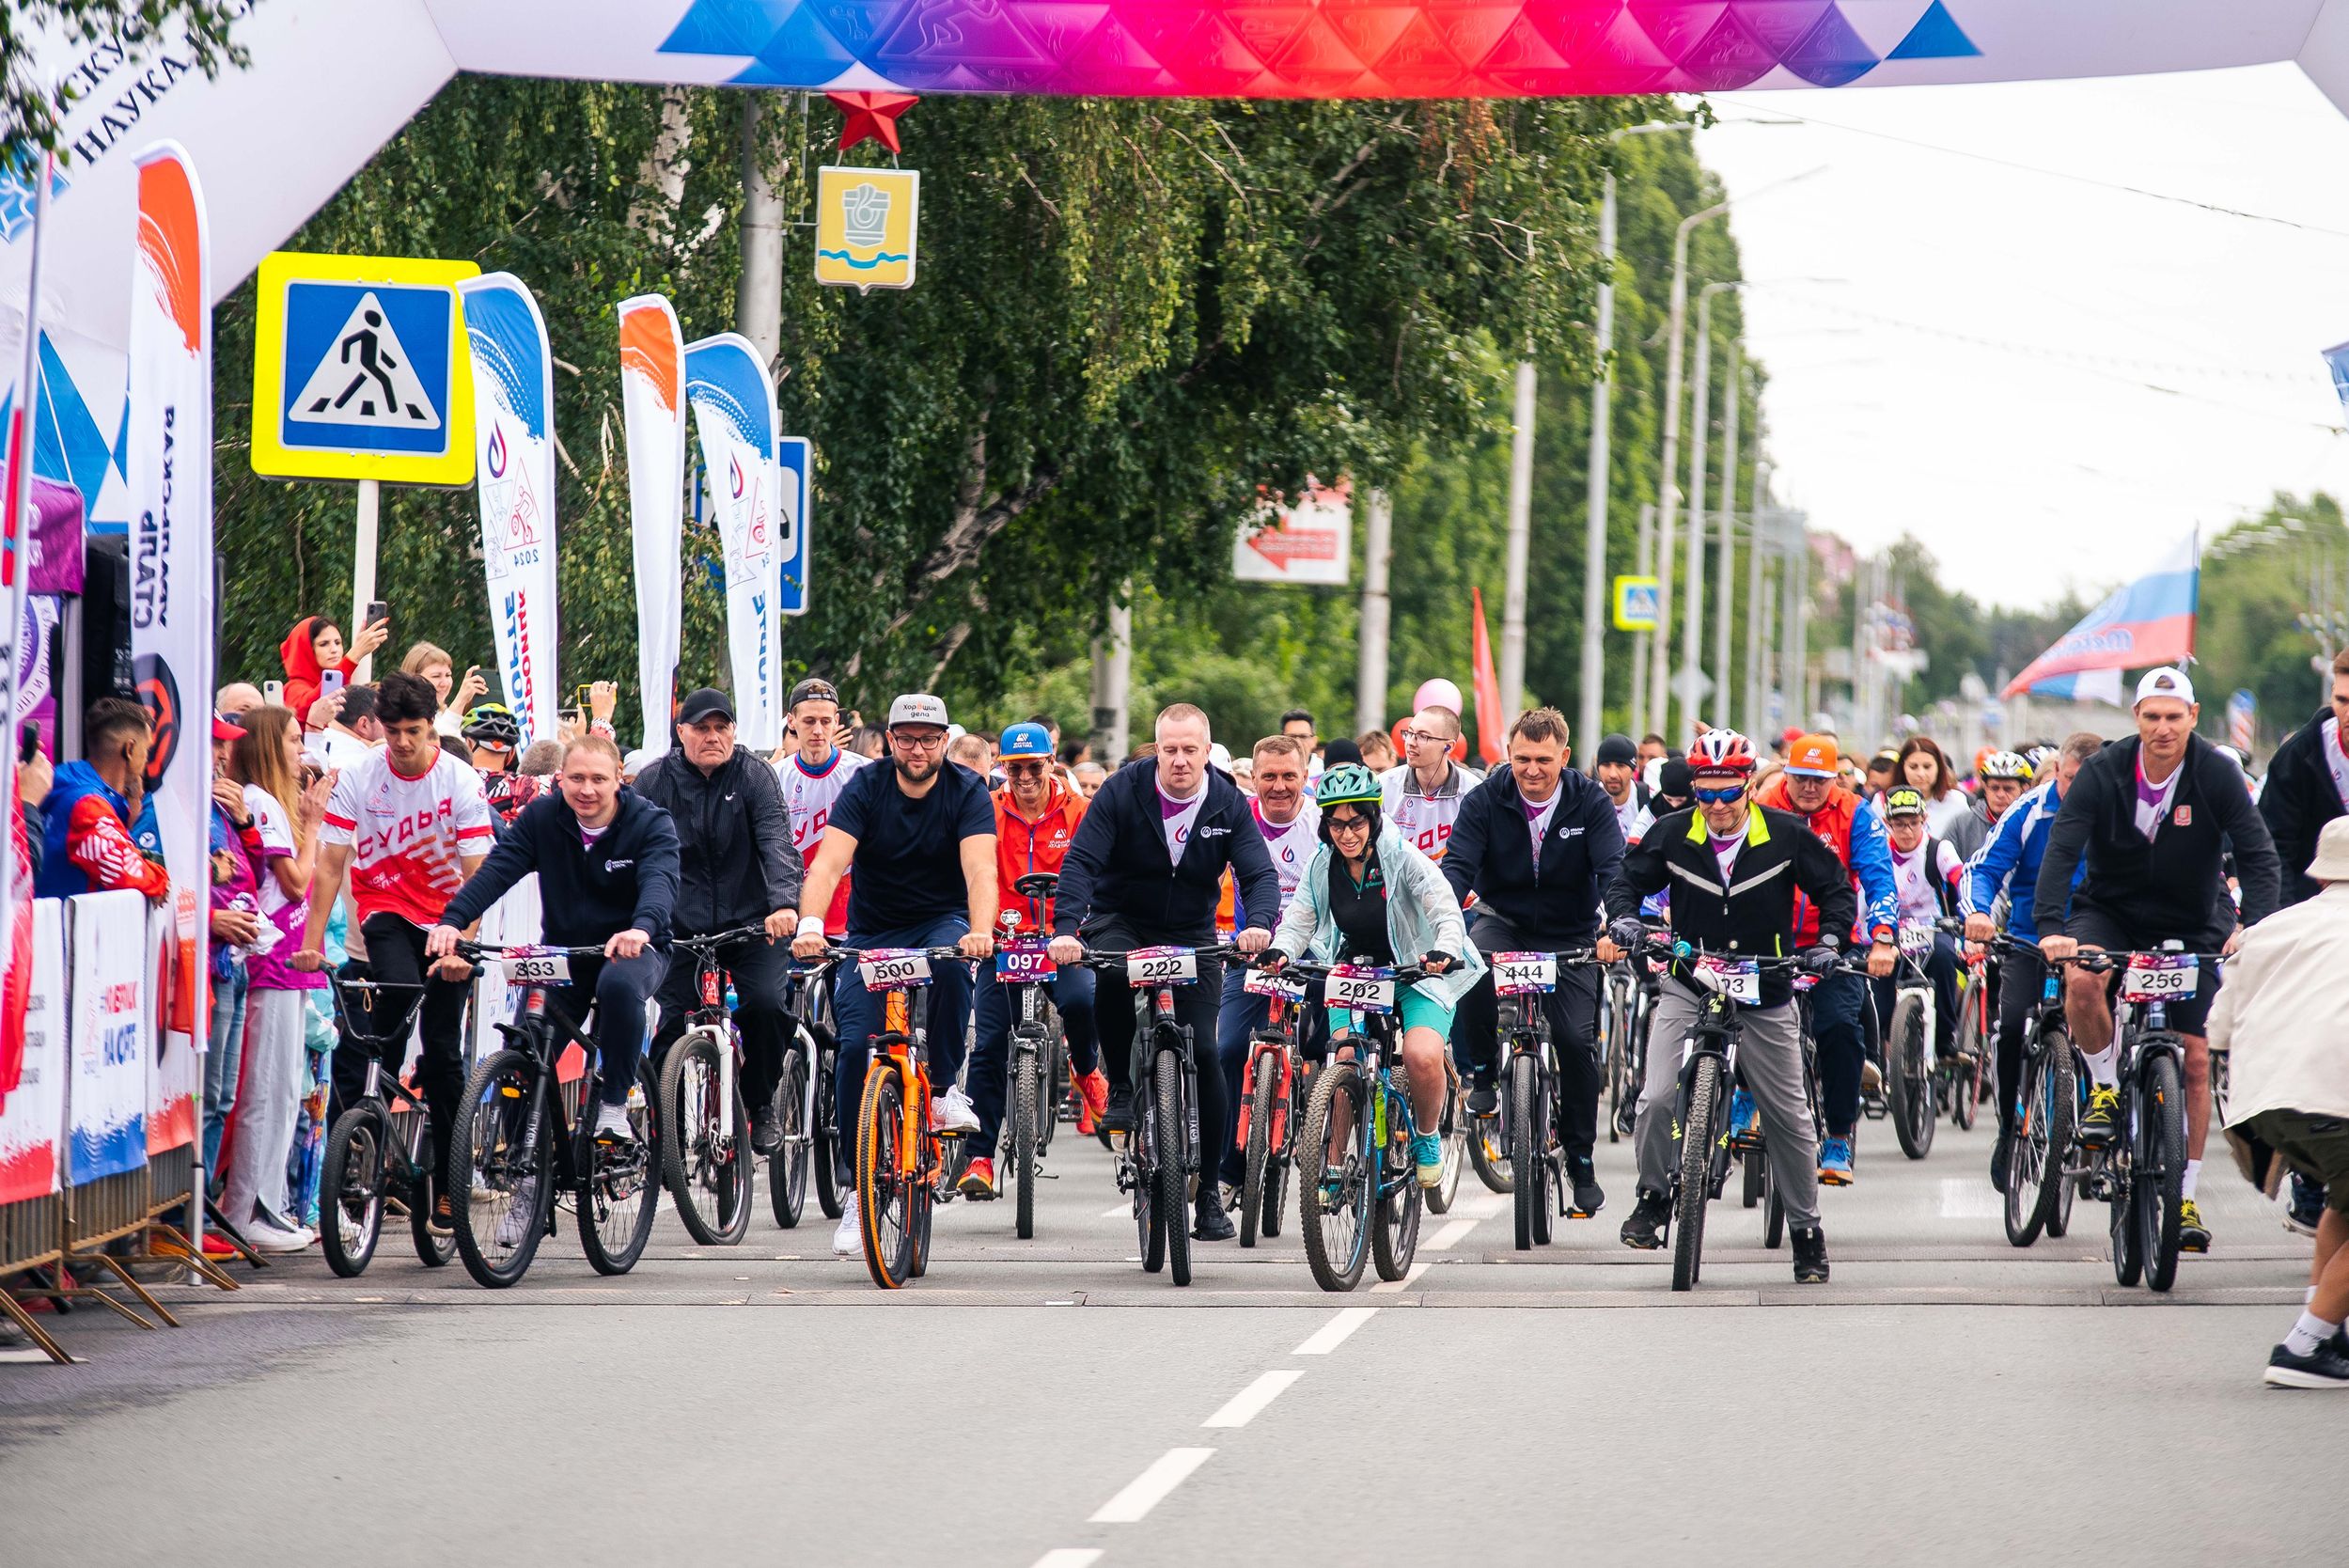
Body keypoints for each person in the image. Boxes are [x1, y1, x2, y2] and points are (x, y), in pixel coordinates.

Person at [2036, 666, 2282, 1254]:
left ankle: (2186, 1193)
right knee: (2083, 982)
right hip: (2111, 910)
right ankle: (2102, 1086)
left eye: (2175, 717)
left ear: (2193, 719)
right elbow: (2064, 845)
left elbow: (2257, 852)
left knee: (2196, 1058)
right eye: (2152, 716)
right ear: (2137, 719)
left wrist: (2256, 925)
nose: (2163, 728)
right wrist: (2051, 928)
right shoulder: (2103, 771)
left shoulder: (2215, 773)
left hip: (2193, 918)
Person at [1606, 729, 1858, 1284]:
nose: (1717, 806)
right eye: (1706, 793)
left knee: (1789, 1115)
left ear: (1748, 786)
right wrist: (1625, 919)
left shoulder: (1787, 834)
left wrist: (1830, 943)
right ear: (1693, 789)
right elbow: (1625, 880)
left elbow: (1837, 891)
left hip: (1765, 984)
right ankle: (1652, 1196)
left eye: (1728, 793)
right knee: (1653, 1098)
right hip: (1690, 978)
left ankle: (1807, 1231)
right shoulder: (1673, 834)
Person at [1048, 703, 1278, 1242]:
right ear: (1157, 749)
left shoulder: (1227, 800)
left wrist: (1260, 925)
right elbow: (1080, 862)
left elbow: (1259, 872)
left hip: (1192, 932)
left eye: (1189, 750)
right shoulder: (1122, 792)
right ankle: (1124, 1087)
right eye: (1169, 750)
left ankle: (1211, 1203)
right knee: (1106, 976)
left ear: (1206, 749)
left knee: (1208, 1053)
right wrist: (1065, 929)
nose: (1179, 760)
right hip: (1120, 920)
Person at [791, 694, 998, 1259]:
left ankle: (944, 1088)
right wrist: (811, 922)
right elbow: (829, 862)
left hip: (942, 922)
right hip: (873, 932)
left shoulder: (966, 790)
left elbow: (981, 869)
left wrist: (980, 930)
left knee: (957, 969)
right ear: (889, 741)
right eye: (906, 738)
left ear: (943, 742)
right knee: (855, 1046)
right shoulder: (866, 787)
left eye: (929, 739)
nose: (917, 749)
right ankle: (858, 1196)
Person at [295, 671, 495, 1234]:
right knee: (392, 1013)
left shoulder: (460, 780)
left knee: (442, 1050)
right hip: (385, 911)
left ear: (432, 727)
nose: (402, 743)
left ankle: (449, 1177)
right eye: (393, 731)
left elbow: (478, 874)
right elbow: (331, 865)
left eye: (413, 731)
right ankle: (366, 1145)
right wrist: (310, 946)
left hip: (451, 920)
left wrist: (463, 942)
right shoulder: (361, 775)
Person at [433, 735, 681, 1147]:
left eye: (599, 779)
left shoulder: (650, 822)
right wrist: (453, 922)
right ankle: (525, 1169)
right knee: (524, 1051)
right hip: (565, 953)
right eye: (577, 778)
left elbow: (659, 882)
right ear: (560, 779)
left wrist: (641, 927)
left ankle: (614, 1105)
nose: (587, 789)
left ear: (619, 779)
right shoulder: (542, 819)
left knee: (617, 986)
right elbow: (496, 871)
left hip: (636, 946)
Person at [1442, 707, 1626, 1217]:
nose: (1532, 770)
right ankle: (1481, 1074)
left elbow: (1613, 869)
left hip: (1573, 932)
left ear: (1565, 758)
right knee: (1471, 964)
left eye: (1544, 760)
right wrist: (1442, 924)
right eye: (1522, 758)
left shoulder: (1589, 800)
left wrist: (1616, 926)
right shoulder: (1485, 799)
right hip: (1505, 917)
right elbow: (1457, 866)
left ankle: (1582, 1159)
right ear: (1508, 754)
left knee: (1574, 1040)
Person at [1263, 764, 1483, 1185]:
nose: (1346, 834)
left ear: (1374, 817)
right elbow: (1299, 920)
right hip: (1357, 970)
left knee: (1420, 1055)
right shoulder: (1321, 863)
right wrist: (1281, 949)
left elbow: (1445, 910)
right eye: (1335, 823)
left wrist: (1444, 950)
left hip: (1416, 970)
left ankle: (1425, 1134)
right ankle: (1330, 1164)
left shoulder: (1402, 856)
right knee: (1344, 1056)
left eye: (1356, 822)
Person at [631, 688, 804, 1155]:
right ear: (681, 732)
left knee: (767, 1005)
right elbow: (628, 851)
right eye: (701, 728)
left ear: (733, 731)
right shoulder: (653, 781)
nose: (712, 736)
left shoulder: (754, 775)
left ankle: (761, 1102)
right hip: (680, 928)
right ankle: (661, 1126)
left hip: (752, 923)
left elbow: (777, 843)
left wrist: (785, 904)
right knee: (671, 1026)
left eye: (721, 727)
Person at [2209, 817, 2349, 1387]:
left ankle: (2330, 1326)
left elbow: (2218, 1024)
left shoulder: (2271, 927)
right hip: (2333, 1095)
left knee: (2344, 1202)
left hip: (2262, 1101)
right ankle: (2305, 1346)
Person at [1754, 734, 1898, 1184]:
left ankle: (1838, 1134)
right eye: (1801, 778)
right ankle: (1743, 1094)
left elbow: (1878, 878)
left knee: (1838, 1027)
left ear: (1835, 779)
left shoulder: (1857, 813)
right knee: (1736, 1011)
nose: (1809, 789)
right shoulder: (1762, 804)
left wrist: (1883, 938)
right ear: (1786, 773)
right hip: (1769, 938)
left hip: (1835, 941)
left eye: (1819, 780)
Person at [1962, 731, 2101, 1191]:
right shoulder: (2030, 809)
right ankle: (2009, 1126)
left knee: (2111, 1021)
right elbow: (1983, 869)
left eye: (2083, 781)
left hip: (2092, 934)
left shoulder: (2117, 810)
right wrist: (1980, 913)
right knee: (2013, 1025)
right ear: (2056, 770)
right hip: (2028, 935)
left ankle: (2113, 1115)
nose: (2071, 789)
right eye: (2066, 778)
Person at [965, 721, 1101, 1192]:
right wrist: (978, 930)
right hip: (1002, 941)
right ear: (1003, 768)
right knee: (986, 1044)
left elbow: (1096, 873)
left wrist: (1080, 929)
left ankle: (1085, 1071)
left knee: (1083, 1001)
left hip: (1062, 939)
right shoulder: (986, 810)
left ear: (1051, 762)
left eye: (1033, 767)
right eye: (1014, 768)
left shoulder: (1078, 810)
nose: (1024, 777)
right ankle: (979, 1157)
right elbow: (973, 869)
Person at [220, 706, 332, 1252]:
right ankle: (246, 1210)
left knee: (287, 1090)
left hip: (288, 962)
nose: (299, 748)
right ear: (269, 746)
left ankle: (267, 1206)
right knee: (265, 1092)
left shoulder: (270, 802)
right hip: (268, 964)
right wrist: (311, 825)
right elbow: (293, 882)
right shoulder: (262, 801)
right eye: (291, 739)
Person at [1209, 734, 1322, 1190]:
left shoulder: (1323, 821)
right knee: (1229, 1050)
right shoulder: (1236, 819)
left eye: (1289, 776)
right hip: (1250, 953)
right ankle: (1230, 1165)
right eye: (1268, 777)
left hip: (1314, 956)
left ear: (1304, 778)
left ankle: (1323, 1151)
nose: (1279, 786)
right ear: (1252, 779)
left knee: (1332, 1050)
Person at [203, 716, 263, 1186]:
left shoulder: (223, 805)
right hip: (206, 965)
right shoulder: (171, 807)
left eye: (227, 746)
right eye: (215, 744)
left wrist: (244, 822)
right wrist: (211, 920)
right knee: (206, 1097)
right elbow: (152, 884)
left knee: (222, 1098)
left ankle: (197, 1215)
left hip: (236, 963)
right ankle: (189, 1218)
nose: (224, 756)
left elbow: (252, 875)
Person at [37, 698, 169, 902]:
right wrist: (161, 882)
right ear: (130, 749)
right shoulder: (88, 804)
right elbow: (124, 870)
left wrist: (133, 800)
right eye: (147, 750)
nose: (147, 760)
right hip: (64, 930)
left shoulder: (71, 780)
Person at [777, 677, 871, 941]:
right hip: (796, 915)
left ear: (837, 722)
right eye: (809, 721)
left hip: (854, 915)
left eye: (825, 721)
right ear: (792, 722)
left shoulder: (864, 773)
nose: (818, 730)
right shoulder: (775, 777)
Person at [1874, 785, 1964, 1064]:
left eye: (1914, 823)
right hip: (1892, 929)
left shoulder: (1938, 849)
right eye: (1899, 824)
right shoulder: (1878, 853)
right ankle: (1883, 1041)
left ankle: (1945, 1037)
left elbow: (1959, 876)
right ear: (1888, 823)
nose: (1907, 831)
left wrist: (1971, 916)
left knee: (1944, 957)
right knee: (1881, 972)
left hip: (1934, 925)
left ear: (1924, 820)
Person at [2259, 648, 2349, 909]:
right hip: (2310, 910)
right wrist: (2285, 921)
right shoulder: (2297, 757)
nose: (2347, 713)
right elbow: (2273, 851)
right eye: (2342, 700)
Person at [1380, 704, 1482, 863]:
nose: (1411, 742)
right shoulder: (1384, 785)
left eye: (1423, 736)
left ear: (1449, 746)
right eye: (1409, 733)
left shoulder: (1474, 791)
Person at [279, 614, 387, 721]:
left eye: (337, 642)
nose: (334, 649)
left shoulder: (344, 681)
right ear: (305, 650)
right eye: (324, 644)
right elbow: (316, 707)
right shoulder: (293, 689)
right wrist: (354, 655)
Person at [1946, 749, 2034, 861]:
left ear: (2024, 789)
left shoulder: (2035, 823)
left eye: (2008, 789)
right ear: (1985, 788)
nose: (2000, 794)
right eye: (1994, 788)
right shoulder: (1961, 824)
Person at [401, 640, 487, 738]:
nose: (444, 683)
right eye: (436, 676)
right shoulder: (405, 713)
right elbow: (439, 742)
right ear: (414, 678)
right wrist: (461, 700)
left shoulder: (441, 713)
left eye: (448, 675)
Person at [1897, 736, 1970, 837]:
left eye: (1927, 767)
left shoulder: (1956, 802)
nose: (1921, 774)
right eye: (1913, 767)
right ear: (1902, 767)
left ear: (1939, 768)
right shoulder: (1884, 802)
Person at [306, 682, 381, 775]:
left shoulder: (320, 742)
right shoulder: (362, 764)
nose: (390, 724)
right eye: (385, 718)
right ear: (364, 724)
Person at [1591, 732, 1650, 840]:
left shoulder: (1649, 800)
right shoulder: (1588, 801)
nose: (1613, 774)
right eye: (1606, 765)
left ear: (1633, 769)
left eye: (1620, 766)